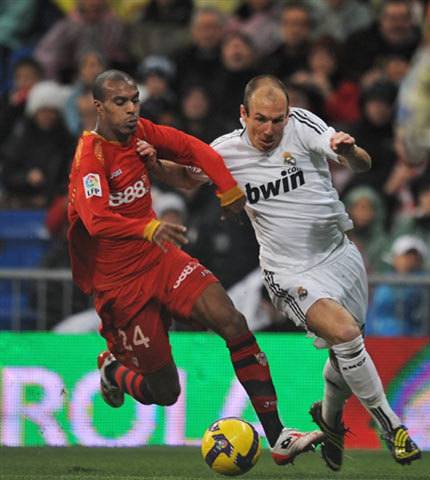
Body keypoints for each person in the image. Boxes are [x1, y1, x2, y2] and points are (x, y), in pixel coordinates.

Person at [148, 75, 422, 470]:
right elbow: (187, 178)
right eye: (261, 119)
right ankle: (392, 427)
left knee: (347, 349)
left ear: (288, 114)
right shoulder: (224, 151)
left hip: (341, 256)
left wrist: (348, 150)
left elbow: (360, 163)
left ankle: (328, 419)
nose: (270, 129)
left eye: (278, 120)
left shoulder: (303, 125)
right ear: (244, 114)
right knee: (345, 335)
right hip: (289, 271)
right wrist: (154, 163)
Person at [67, 69, 324, 466]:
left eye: (135, 99)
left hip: (161, 260)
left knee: (233, 322)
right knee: (165, 392)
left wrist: (229, 189)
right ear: (98, 107)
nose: (132, 109)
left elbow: (196, 150)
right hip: (120, 287)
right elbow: (97, 220)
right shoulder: (90, 159)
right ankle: (113, 369)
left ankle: (279, 437)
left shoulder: (141, 134)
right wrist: (148, 225)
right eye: (121, 102)